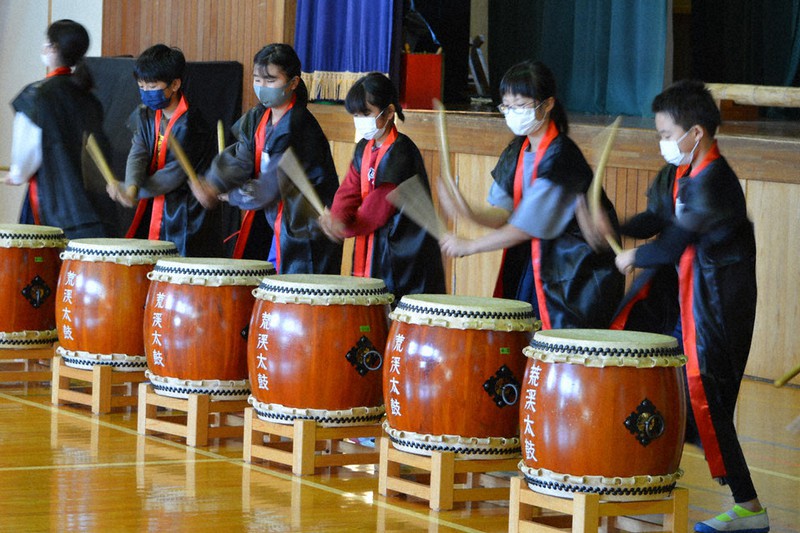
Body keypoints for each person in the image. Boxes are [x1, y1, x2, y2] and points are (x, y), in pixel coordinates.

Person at [612, 80, 767, 533]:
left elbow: (673, 242)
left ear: (695, 133)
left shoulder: (716, 182)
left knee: (707, 403)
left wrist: (633, 257)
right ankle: (644, 479)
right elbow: (658, 220)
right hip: (685, 303)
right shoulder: (683, 173)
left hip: (717, 311)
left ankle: (749, 507)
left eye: (666, 134)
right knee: (666, 390)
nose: (662, 142)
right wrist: (613, 224)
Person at [438, 60, 623, 329]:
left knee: (550, 346)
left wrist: (470, 246)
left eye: (520, 105)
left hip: (572, 275)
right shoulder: (516, 150)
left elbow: (525, 228)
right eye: (507, 106)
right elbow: (502, 215)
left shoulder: (561, 157)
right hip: (534, 265)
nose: (513, 113)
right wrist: (467, 211)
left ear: (547, 104)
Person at [190, 43, 341, 274]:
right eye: (257, 79)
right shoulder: (258, 116)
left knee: (294, 291)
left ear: (293, 82)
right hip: (276, 222)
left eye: (270, 80)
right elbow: (240, 160)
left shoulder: (298, 127)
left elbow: (270, 187)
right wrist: (214, 182)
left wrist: (229, 195)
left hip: (305, 231)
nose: (262, 87)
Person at [318, 72, 446, 301]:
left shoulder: (402, 152)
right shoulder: (364, 148)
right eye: (356, 115)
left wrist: (341, 228)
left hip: (404, 255)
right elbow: (348, 191)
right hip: (376, 246)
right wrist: (336, 216)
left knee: (397, 312)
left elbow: (377, 211)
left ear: (388, 112)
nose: (360, 120)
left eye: (366, 114)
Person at [107, 44, 222, 257]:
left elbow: (173, 175)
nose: (145, 92)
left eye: (152, 86)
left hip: (186, 213)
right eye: (141, 86)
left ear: (175, 84)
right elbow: (138, 151)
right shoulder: (147, 113)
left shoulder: (192, 124)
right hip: (156, 203)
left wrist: (133, 192)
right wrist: (131, 186)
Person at [5, 19, 115, 238]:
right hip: (90, 206)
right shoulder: (88, 96)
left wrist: (17, 174)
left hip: (53, 198)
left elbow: (27, 150)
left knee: (42, 255)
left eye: (46, 42)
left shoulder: (36, 95)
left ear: (54, 48)